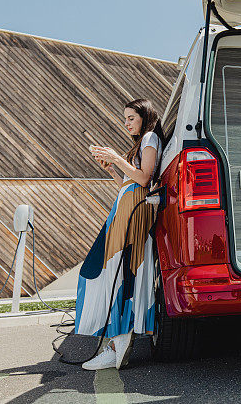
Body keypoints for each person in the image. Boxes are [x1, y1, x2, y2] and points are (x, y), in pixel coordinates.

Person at [75, 98, 164, 370]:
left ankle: (118, 342)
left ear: (144, 117)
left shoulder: (149, 137)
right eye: (124, 118)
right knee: (117, 270)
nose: (126, 124)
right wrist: (114, 169)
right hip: (127, 206)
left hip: (133, 210)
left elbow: (144, 178)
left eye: (131, 118)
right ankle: (117, 338)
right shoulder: (143, 141)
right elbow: (129, 182)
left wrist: (116, 157)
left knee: (119, 271)